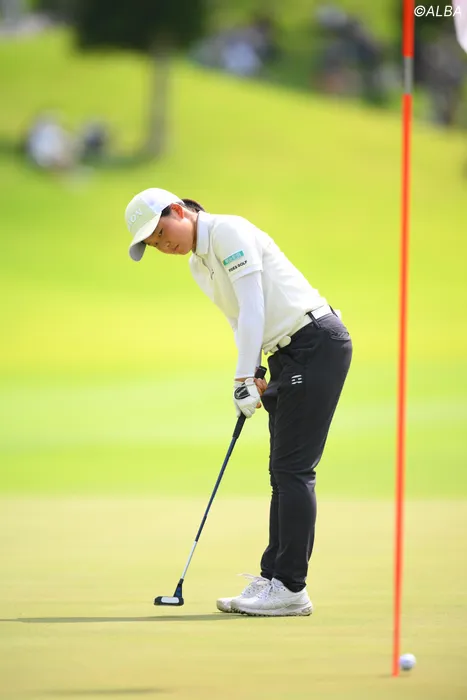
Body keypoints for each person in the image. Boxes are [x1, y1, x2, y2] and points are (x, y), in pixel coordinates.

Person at [124, 188, 353, 617]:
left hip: (315, 342)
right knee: (281, 472)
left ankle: (291, 588)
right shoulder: (198, 265)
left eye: (161, 233)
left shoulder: (228, 231)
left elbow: (253, 305)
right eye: (154, 245)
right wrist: (255, 370)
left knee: (293, 471)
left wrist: (243, 376)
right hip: (285, 353)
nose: (163, 246)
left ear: (179, 211)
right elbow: (238, 321)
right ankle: (274, 578)